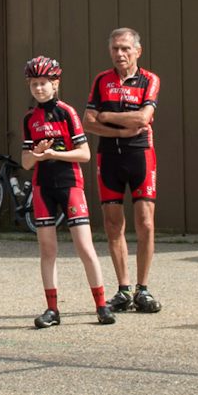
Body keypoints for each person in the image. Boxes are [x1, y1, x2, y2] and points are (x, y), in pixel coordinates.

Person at [19, 57, 115, 328]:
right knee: (47, 250)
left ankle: (101, 305)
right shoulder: (30, 118)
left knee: (84, 246)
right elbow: (26, 162)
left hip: (70, 184)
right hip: (43, 187)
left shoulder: (67, 112)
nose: (39, 89)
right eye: (34, 84)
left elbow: (84, 154)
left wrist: (55, 154)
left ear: (55, 84)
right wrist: (38, 154)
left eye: (44, 83)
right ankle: (52, 310)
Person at [83, 27, 161, 313]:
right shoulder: (101, 80)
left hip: (140, 154)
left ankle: (143, 289)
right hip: (109, 157)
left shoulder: (149, 79)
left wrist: (107, 115)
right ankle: (123, 289)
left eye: (126, 48)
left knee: (146, 222)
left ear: (137, 51)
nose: (120, 53)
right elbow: (88, 121)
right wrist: (120, 127)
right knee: (113, 225)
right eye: (115, 48)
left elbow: (144, 117)